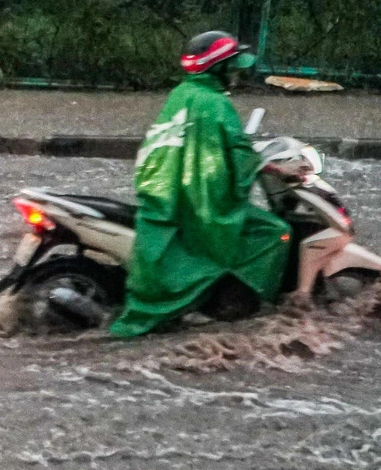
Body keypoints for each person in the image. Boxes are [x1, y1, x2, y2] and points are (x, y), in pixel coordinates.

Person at [109, 31, 290, 338]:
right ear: (218, 69)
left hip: (164, 197)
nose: (235, 73)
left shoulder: (180, 94)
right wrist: (278, 170)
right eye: (231, 66)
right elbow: (239, 154)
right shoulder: (216, 104)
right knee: (275, 233)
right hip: (199, 203)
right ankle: (236, 308)